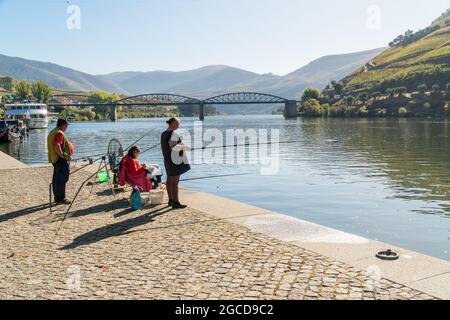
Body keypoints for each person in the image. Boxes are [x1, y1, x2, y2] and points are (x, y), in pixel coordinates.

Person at [161, 117, 191, 209]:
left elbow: (164, 147)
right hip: (174, 161)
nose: (179, 126)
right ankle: (176, 202)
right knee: (174, 182)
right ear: (173, 123)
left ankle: (170, 200)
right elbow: (173, 146)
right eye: (178, 123)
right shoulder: (172, 133)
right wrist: (185, 148)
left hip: (167, 160)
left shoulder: (164, 133)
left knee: (169, 180)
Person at [47, 117, 74, 204]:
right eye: (66, 125)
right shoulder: (59, 133)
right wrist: (62, 155)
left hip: (55, 159)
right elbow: (57, 145)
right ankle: (61, 198)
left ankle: (57, 197)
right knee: (62, 179)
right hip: (60, 160)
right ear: (63, 125)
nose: (67, 127)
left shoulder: (53, 131)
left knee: (56, 178)